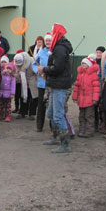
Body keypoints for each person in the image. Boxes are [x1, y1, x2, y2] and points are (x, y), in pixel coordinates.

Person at [37, 23, 73, 153]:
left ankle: (65, 143)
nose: (51, 35)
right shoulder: (58, 47)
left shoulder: (59, 49)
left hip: (60, 85)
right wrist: (46, 72)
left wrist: (44, 69)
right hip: (55, 84)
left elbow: (58, 68)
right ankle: (56, 137)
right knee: (51, 113)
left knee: (58, 115)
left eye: (52, 33)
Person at [71, 55, 100, 138]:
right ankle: (82, 130)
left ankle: (89, 131)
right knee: (81, 116)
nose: (83, 65)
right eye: (82, 63)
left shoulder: (93, 75)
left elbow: (96, 88)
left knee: (89, 116)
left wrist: (95, 98)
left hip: (89, 100)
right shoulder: (80, 74)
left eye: (85, 64)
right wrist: (75, 97)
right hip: (81, 99)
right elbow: (76, 86)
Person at [33, 32, 51, 132]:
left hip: (52, 82)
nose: (48, 42)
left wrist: (47, 72)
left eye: (50, 40)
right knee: (41, 105)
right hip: (42, 83)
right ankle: (39, 125)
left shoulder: (54, 52)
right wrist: (38, 71)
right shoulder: (41, 52)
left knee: (51, 106)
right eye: (46, 40)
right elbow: (34, 64)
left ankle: (53, 126)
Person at [14, 51, 39, 119]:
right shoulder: (18, 63)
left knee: (33, 97)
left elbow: (37, 72)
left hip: (32, 80)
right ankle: (22, 112)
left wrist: (36, 81)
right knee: (24, 96)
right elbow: (17, 73)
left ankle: (32, 113)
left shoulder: (31, 61)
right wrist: (13, 75)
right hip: (24, 80)